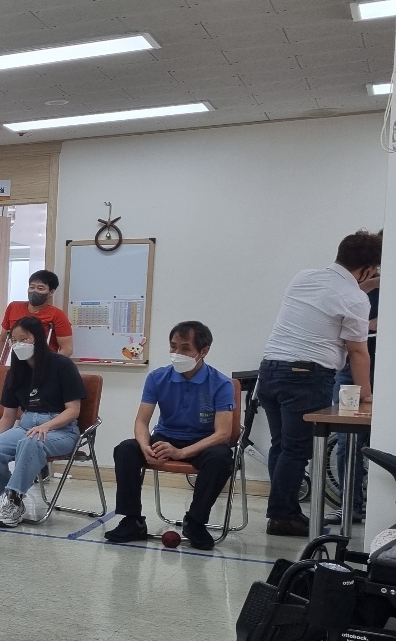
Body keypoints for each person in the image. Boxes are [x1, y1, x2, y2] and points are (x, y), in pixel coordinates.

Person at [258, 229, 381, 536]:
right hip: (305, 377)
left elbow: (332, 300)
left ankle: (284, 511)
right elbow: (357, 351)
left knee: (281, 446)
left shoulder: (304, 277)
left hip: (270, 371)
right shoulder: (355, 298)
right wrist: (366, 394)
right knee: (296, 450)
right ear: (368, 269)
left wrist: (367, 286)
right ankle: (282, 516)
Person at [103, 321, 235, 551]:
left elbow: (223, 434)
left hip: (202, 443)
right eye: (173, 346)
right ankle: (133, 520)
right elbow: (141, 421)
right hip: (166, 438)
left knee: (221, 458)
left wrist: (181, 453)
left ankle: (195, 522)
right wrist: (145, 445)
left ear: (203, 351)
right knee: (125, 450)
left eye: (185, 348)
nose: (177, 353)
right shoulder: (157, 377)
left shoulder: (221, 383)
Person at [0, 315, 87, 527]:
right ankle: (11, 496)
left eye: (24, 339)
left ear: (38, 338)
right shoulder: (15, 372)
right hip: (27, 426)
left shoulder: (62, 365)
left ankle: (14, 499)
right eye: (14, 340)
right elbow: (8, 417)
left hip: (60, 429)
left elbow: (73, 411)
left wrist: (45, 426)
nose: (18, 344)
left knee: (31, 442)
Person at [327, 280, 380, 525]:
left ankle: (381, 507)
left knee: (382, 438)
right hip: (351, 367)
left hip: (385, 363)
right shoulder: (354, 284)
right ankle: (349, 505)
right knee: (347, 438)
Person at [0, 269, 73, 363]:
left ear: (51, 292)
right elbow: (3, 339)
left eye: (40, 288)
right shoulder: (13, 307)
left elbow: (67, 349)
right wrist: (0, 365)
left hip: (43, 362)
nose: (34, 291)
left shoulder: (57, 314)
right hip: (17, 361)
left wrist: (51, 365)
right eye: (32, 287)